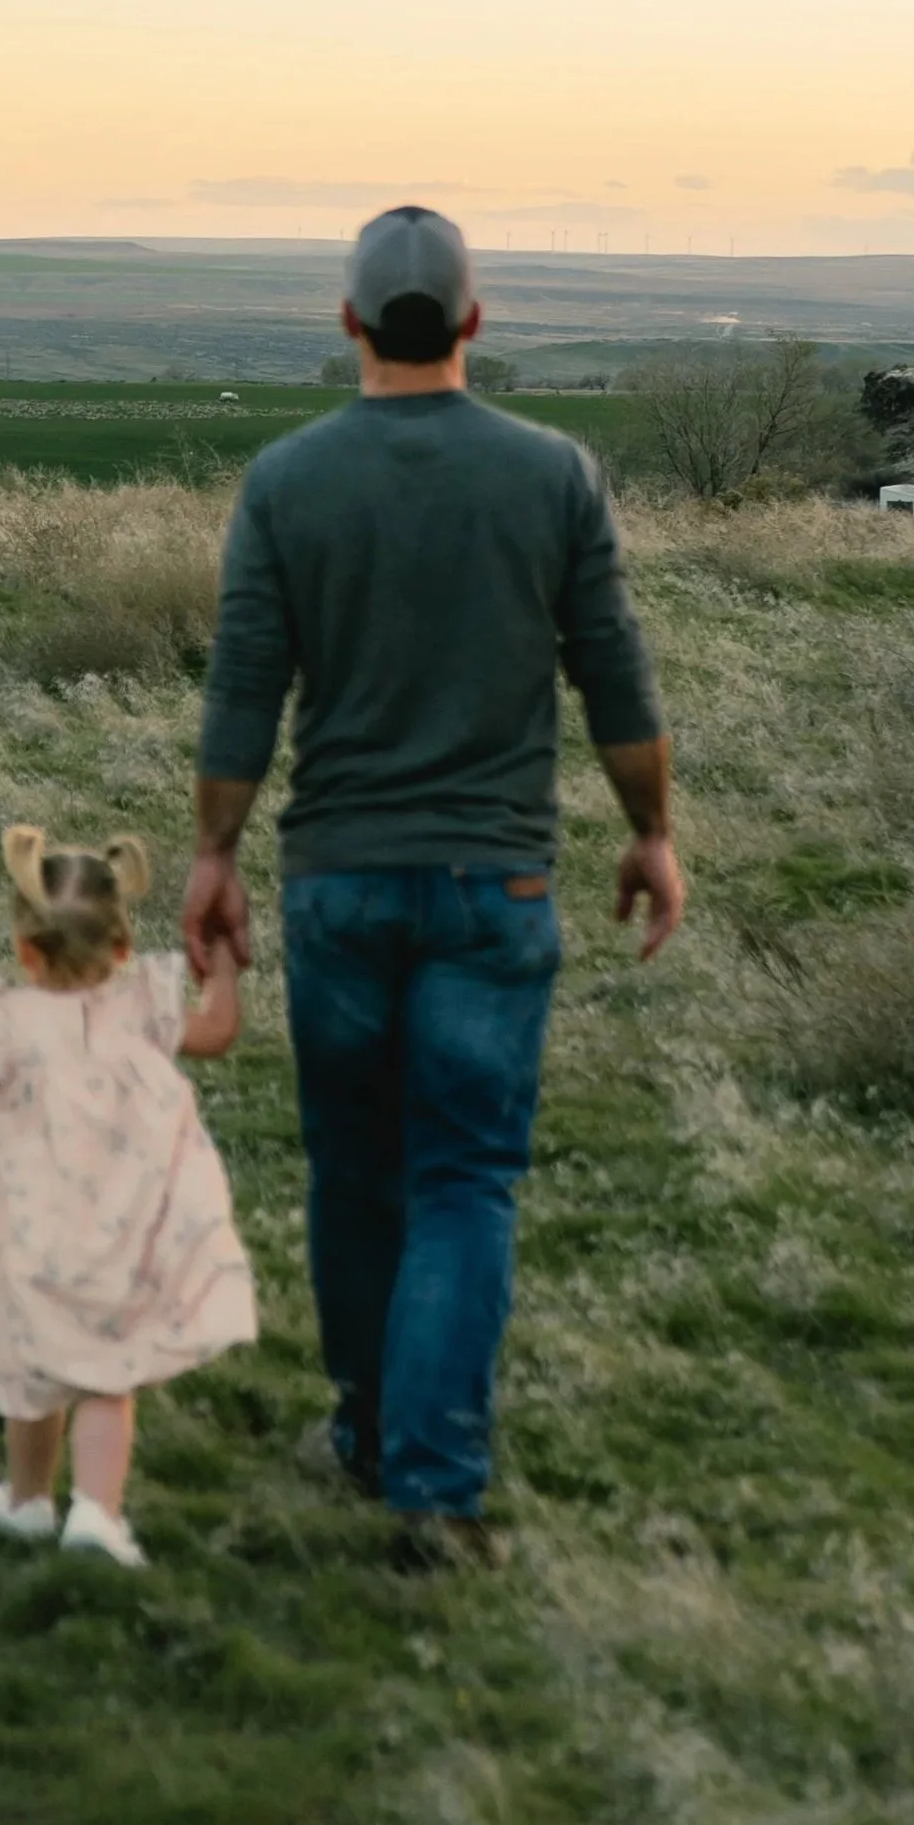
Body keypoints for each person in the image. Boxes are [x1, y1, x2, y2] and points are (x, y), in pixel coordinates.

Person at [184, 205, 681, 1570]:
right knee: (464, 1178)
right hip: (496, 886)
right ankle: (434, 1490)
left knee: (355, 1173)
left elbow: (243, 695)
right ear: (472, 322)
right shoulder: (554, 476)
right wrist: (650, 830)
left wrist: (215, 854)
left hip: (339, 881)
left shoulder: (288, 482)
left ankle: (363, 1428)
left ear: (348, 324)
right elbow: (617, 678)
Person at [0, 825, 256, 1569]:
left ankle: (26, 1501)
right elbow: (216, 1029)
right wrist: (219, 965)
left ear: (25, 950)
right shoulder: (141, 1008)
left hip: (33, 1227)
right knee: (106, 1369)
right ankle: (96, 1509)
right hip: (124, 1222)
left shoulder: (10, 1024)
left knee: (36, 1360)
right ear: (122, 948)